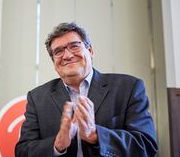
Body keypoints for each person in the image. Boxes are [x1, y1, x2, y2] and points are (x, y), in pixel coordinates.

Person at [15, 22, 158, 157]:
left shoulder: (128, 87)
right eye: (58, 51)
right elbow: (22, 151)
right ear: (54, 62)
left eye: (74, 46)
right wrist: (57, 145)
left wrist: (95, 135)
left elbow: (145, 145)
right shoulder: (37, 97)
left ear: (90, 50)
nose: (67, 55)